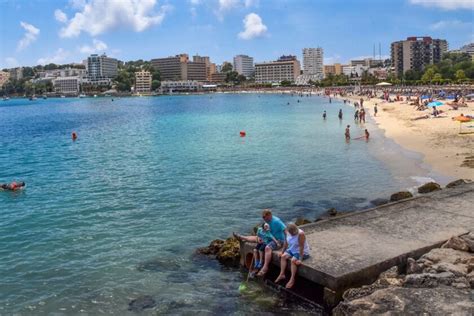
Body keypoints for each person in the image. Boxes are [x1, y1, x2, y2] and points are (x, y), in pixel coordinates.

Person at [234, 209, 287, 277]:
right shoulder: (266, 221)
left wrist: (286, 242)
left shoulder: (277, 221)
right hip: (268, 237)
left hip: (278, 240)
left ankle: (265, 267)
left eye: (265, 217)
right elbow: (263, 231)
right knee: (258, 238)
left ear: (269, 215)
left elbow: (285, 230)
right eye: (263, 217)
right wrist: (259, 237)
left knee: (267, 248)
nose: (264, 219)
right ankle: (242, 237)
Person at [274, 223, 310, 289]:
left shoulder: (301, 234)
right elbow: (286, 242)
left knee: (293, 260)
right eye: (293, 233)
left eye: (295, 232)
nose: (294, 234)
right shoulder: (286, 232)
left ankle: (292, 279)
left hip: (302, 251)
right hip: (292, 249)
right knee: (283, 256)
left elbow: (301, 247)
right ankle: (282, 274)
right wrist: (282, 252)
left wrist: (300, 259)